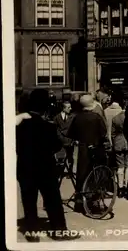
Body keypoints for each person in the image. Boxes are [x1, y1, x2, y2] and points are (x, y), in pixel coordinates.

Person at [16, 90, 77, 242]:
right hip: (45, 169)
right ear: (45, 107)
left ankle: (32, 232)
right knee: (52, 200)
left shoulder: (19, 126)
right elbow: (56, 146)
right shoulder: (48, 127)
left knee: (29, 200)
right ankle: (59, 231)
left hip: (25, 167)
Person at [67, 94, 108, 213]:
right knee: (96, 175)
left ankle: (79, 201)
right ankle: (93, 201)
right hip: (96, 148)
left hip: (82, 148)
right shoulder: (96, 117)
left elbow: (71, 134)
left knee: (82, 174)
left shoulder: (77, 117)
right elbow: (103, 132)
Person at [111, 97, 128, 198]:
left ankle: (120, 188)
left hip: (118, 142)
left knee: (120, 166)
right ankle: (126, 186)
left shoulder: (116, 118)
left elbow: (113, 133)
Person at [53, 101, 76, 172]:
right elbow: (55, 129)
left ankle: (70, 171)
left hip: (70, 140)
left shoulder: (73, 117)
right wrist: (60, 137)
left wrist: (74, 139)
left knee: (70, 157)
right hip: (60, 140)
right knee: (60, 157)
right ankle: (60, 171)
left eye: (70, 107)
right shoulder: (56, 117)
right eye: (68, 107)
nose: (71, 108)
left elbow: (76, 129)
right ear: (63, 108)